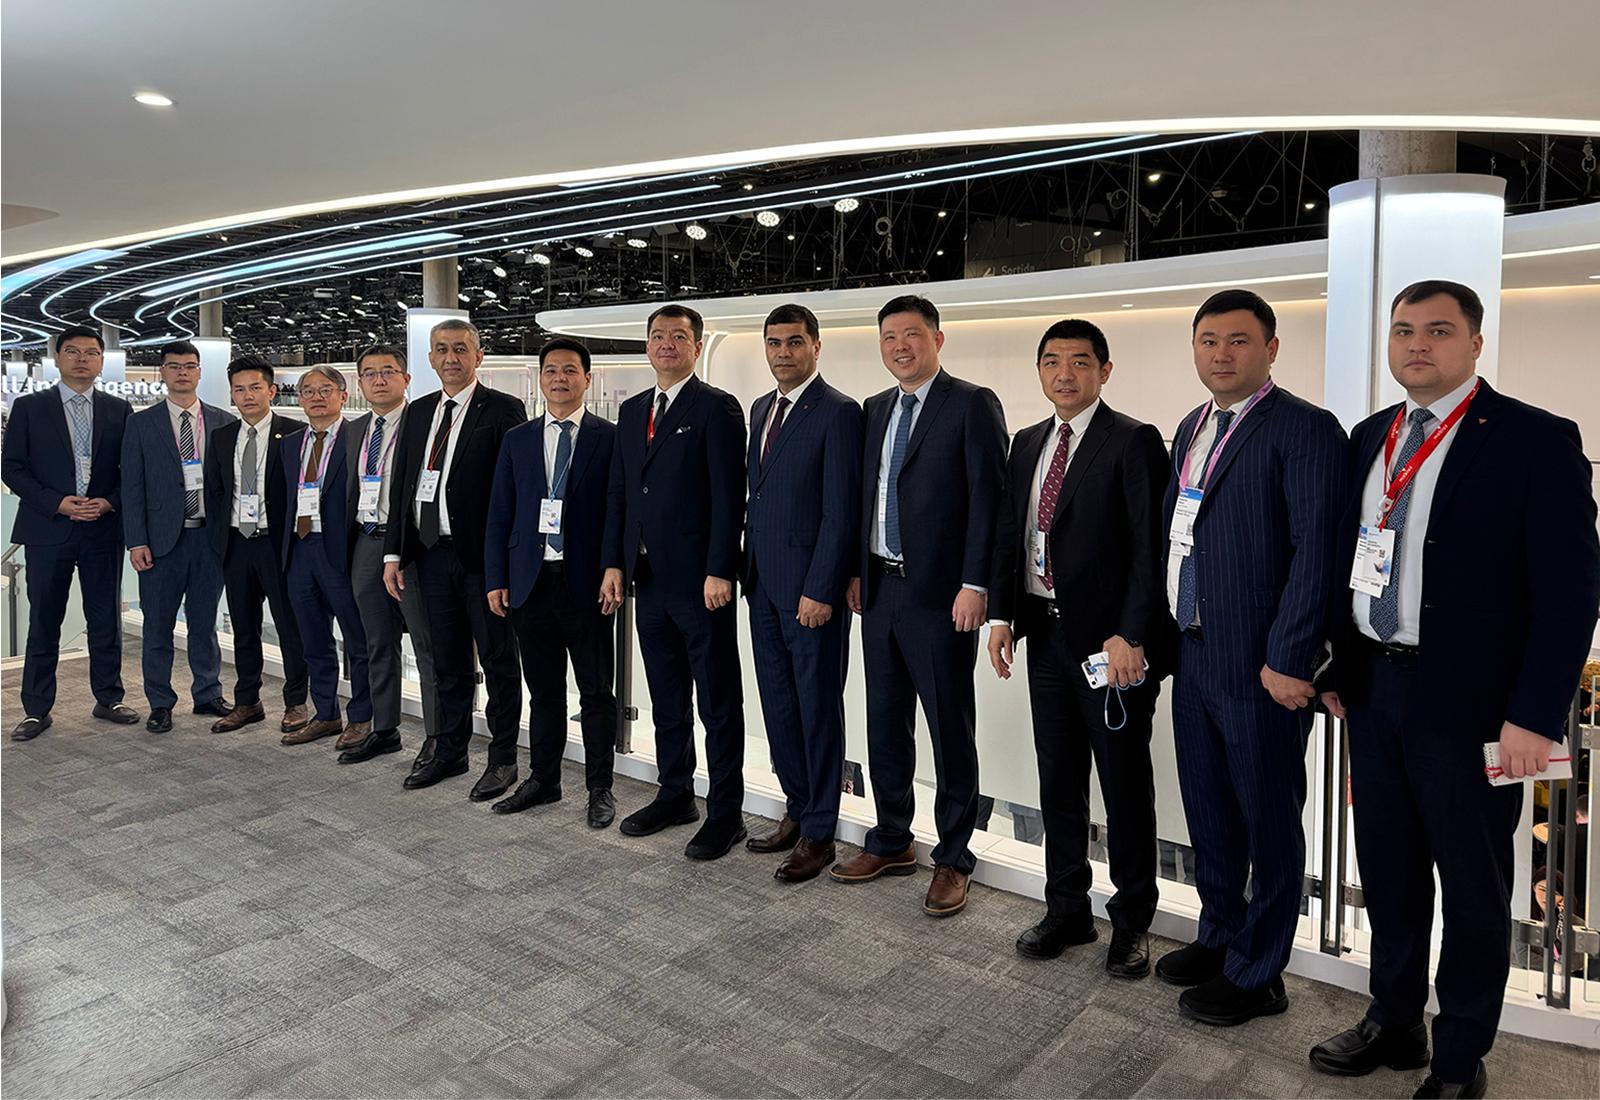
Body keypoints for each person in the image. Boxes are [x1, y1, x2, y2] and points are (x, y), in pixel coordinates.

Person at [1311, 280, 1600, 1100]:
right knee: (1389, 868)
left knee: (1472, 887)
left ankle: (1459, 1057)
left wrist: (1534, 717)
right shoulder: (1372, 435)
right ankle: (1394, 1018)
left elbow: (1571, 593)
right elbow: (1351, 558)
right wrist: (1339, 666)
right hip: (1375, 690)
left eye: (1438, 330)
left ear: (1475, 342)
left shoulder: (1535, 439)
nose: (1417, 344)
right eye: (1404, 330)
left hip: (1474, 707)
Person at [1155, 289, 1347, 1024]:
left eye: (1238, 341)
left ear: (1271, 348)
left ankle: (1261, 972)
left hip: (1262, 665)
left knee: (1268, 820)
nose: (1221, 354)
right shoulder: (1191, 425)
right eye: (1208, 341)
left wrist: (1291, 657)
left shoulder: (1304, 428)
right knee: (1209, 809)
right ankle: (1220, 936)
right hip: (1195, 650)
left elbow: (1316, 552)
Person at [986, 318, 1170, 976]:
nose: (1065, 373)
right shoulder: (1028, 441)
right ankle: (1067, 909)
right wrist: (1002, 616)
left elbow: (1150, 549)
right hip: (1045, 633)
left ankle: (1132, 921)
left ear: (1104, 371)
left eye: (1080, 362)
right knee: (1058, 780)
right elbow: (1013, 533)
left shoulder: (1133, 441)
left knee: (1124, 787)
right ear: (1039, 370)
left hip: (1111, 645)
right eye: (1052, 361)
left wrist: (1133, 633)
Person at [832, 294, 1008, 918]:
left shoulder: (972, 403)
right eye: (889, 337)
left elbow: (989, 500)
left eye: (911, 334)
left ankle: (954, 857)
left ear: (937, 338)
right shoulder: (875, 408)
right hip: (880, 589)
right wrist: (857, 570)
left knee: (949, 729)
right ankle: (892, 838)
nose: (900, 346)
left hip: (941, 596)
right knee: (884, 722)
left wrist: (976, 583)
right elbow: (867, 498)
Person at [599, 304, 748, 860]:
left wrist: (720, 568)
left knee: (717, 701)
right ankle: (675, 793)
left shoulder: (716, 407)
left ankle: (726, 813)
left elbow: (729, 496)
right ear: (647, 346)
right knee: (666, 695)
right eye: (658, 336)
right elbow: (622, 491)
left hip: (701, 583)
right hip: (647, 580)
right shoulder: (633, 409)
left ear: (696, 346)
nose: (667, 344)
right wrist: (614, 563)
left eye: (678, 336)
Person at [742, 304, 863, 883]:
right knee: (779, 705)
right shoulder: (761, 408)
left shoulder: (839, 411)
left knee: (817, 710)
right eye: (774, 343)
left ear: (816, 346)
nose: (783, 352)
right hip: (763, 586)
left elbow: (841, 511)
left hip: (811, 593)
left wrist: (822, 588)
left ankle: (820, 832)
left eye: (794, 342)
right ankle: (796, 808)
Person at [383, 320, 526, 798]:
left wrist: (505, 564)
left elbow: (513, 492)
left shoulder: (503, 409)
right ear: (430, 358)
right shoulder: (419, 411)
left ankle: (503, 759)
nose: (451, 358)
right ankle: (451, 751)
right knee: (447, 661)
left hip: (483, 562)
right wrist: (394, 552)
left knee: (498, 661)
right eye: (441, 349)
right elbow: (404, 484)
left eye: (461, 349)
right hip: (429, 554)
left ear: (478, 356)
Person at [485, 337, 620, 827]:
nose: (560, 378)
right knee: (543, 692)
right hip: (530, 582)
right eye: (551, 371)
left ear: (587, 379)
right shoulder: (518, 439)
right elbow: (500, 511)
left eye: (569, 370)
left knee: (596, 693)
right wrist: (497, 577)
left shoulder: (609, 437)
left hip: (587, 585)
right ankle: (544, 780)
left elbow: (618, 511)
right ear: (539, 379)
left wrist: (614, 566)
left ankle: (600, 787)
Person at [3, 326, 138, 740]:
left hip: (102, 528)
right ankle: (36, 709)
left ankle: (108, 697)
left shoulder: (119, 410)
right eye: (73, 351)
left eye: (91, 352)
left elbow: (131, 472)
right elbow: (12, 468)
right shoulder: (29, 407)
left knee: (105, 618)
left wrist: (109, 502)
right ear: (58, 358)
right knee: (44, 619)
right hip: (48, 528)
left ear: (101, 361)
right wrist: (57, 502)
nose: (82, 359)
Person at [121, 340, 236, 732]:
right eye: (174, 366)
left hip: (210, 540)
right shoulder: (141, 423)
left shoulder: (223, 422)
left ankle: (208, 693)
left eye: (189, 366)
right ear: (163, 373)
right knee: (157, 626)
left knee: (205, 623)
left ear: (200, 372)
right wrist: (136, 540)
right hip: (160, 543)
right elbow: (132, 486)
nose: (182, 372)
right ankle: (160, 702)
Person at [339, 346, 443, 765]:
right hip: (367, 543)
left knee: (426, 644)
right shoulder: (354, 429)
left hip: (412, 547)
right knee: (376, 642)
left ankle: (438, 737)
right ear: (360, 383)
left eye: (388, 371)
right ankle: (385, 729)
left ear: (406, 378)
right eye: (369, 373)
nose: (379, 380)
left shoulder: (425, 424)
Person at [202, 356, 310, 736]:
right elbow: (215, 492)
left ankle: (296, 702)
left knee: (289, 627)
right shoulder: (222, 437)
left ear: (271, 391)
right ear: (232, 394)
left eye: (255, 388)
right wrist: (220, 540)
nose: (247, 396)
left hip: (276, 545)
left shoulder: (295, 434)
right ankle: (247, 702)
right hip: (237, 544)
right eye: (239, 389)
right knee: (244, 628)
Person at [279, 365, 371, 747]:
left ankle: (362, 718)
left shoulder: (358, 437)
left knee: (357, 640)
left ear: (343, 396)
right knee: (313, 640)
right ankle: (326, 714)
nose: (317, 397)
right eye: (309, 391)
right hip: (300, 549)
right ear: (300, 399)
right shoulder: (289, 443)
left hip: (341, 550)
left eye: (326, 390)